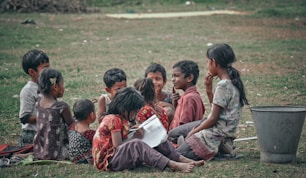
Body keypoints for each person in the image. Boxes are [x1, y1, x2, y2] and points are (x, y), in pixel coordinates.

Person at [92, 87, 204, 172]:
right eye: (133, 111)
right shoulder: (113, 119)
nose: (135, 113)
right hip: (108, 162)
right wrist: (135, 137)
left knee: (154, 135)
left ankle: (180, 158)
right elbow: (118, 147)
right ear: (124, 109)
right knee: (137, 144)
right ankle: (172, 164)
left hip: (116, 156)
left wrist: (134, 131)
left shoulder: (120, 118)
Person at [176, 44, 249, 161]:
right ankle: (187, 143)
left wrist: (193, 132)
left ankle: (210, 149)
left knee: (177, 155)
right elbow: (219, 112)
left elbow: (213, 119)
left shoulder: (223, 85)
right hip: (221, 131)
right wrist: (209, 91)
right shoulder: (233, 81)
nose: (207, 66)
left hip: (216, 135)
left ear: (214, 63)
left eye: (207, 62)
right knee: (175, 135)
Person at [33, 68, 74, 160]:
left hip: (40, 149)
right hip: (58, 152)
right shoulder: (61, 107)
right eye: (62, 85)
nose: (63, 88)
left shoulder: (38, 103)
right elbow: (72, 124)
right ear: (55, 87)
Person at [18, 49, 50, 146]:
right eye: (44, 69)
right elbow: (24, 118)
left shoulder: (46, 85)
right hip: (32, 134)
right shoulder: (28, 90)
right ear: (32, 72)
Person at [169, 60, 205, 133]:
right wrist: (176, 105)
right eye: (172, 76)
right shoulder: (195, 95)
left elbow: (183, 128)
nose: (172, 79)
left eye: (176, 76)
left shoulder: (188, 98)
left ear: (189, 78)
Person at [68, 99, 96, 164]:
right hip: (85, 159)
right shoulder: (90, 133)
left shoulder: (72, 126)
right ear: (92, 115)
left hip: (73, 157)